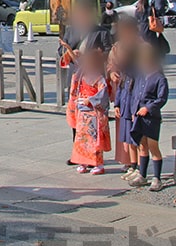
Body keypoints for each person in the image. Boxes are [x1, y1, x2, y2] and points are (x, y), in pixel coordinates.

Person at [127, 43, 170, 191]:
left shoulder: (159, 78)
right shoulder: (141, 76)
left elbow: (162, 98)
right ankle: (142, 174)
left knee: (153, 146)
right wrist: (134, 111)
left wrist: (148, 108)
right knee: (142, 145)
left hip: (151, 117)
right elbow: (135, 95)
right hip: (139, 114)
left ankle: (157, 177)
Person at [67, 48, 111, 175]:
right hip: (82, 112)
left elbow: (103, 93)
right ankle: (83, 162)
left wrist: (91, 100)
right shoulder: (81, 76)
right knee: (81, 138)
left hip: (94, 112)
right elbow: (75, 62)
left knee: (94, 139)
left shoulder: (99, 78)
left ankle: (98, 164)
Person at [109, 16, 141, 176]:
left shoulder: (141, 45)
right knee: (123, 128)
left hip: (136, 90)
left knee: (137, 128)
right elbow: (110, 64)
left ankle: (139, 162)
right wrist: (112, 72)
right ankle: (127, 160)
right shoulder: (117, 46)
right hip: (122, 89)